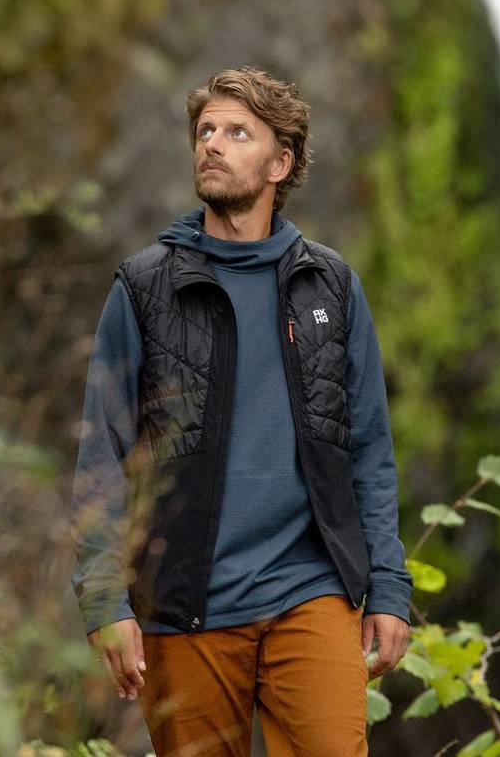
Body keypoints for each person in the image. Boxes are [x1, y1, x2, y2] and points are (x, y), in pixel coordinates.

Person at [68, 66, 412, 756]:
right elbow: (101, 454)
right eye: (205, 131)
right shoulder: (143, 289)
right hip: (187, 603)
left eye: (236, 132)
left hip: (311, 591)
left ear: (280, 163)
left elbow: (370, 446)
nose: (212, 145)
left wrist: (388, 589)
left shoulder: (332, 286)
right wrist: (105, 601)